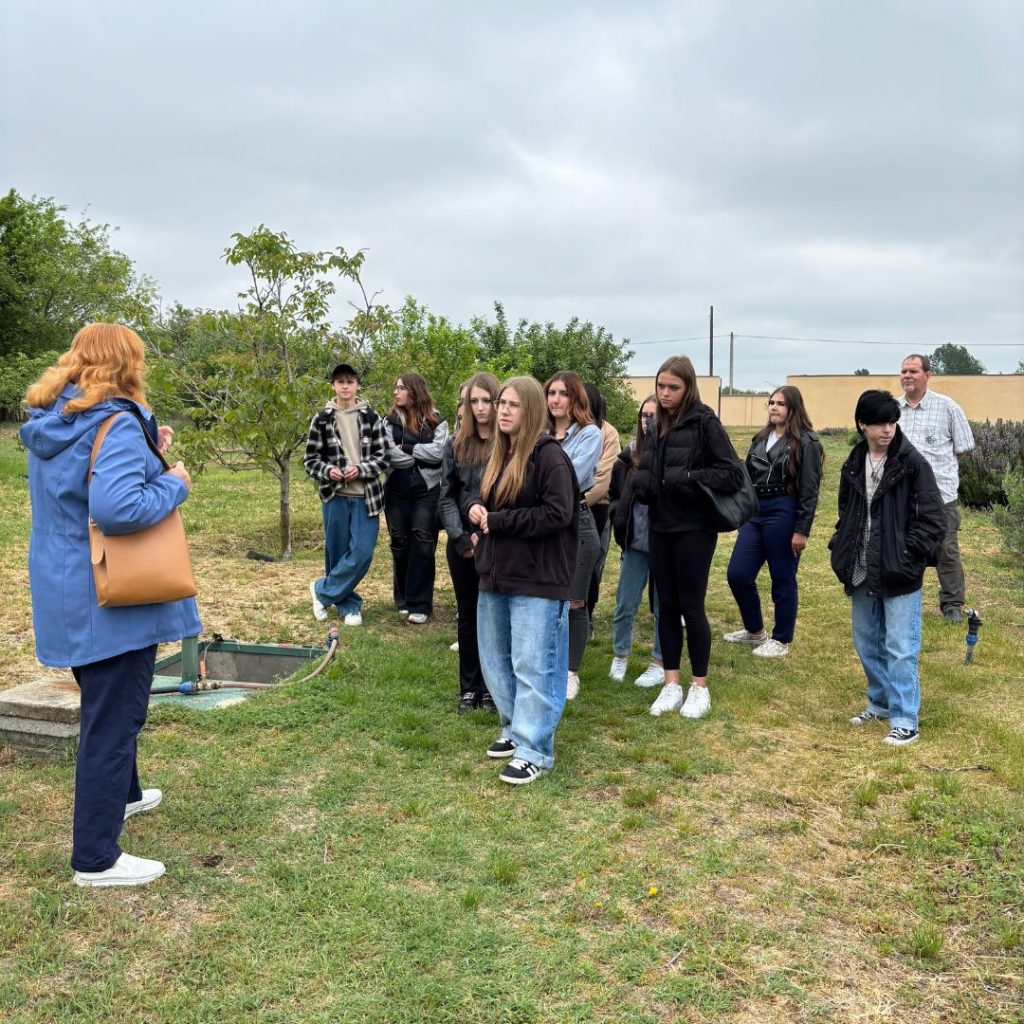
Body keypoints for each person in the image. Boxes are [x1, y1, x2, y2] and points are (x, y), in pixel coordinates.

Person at [21, 323, 201, 887]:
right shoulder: (116, 421)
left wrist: (148, 451)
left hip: (66, 585)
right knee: (114, 719)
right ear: (127, 364)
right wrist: (175, 481)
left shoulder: (57, 418)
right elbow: (117, 509)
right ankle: (96, 859)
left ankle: (124, 795)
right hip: (110, 594)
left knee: (106, 700)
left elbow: (82, 481)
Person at [468, 376, 579, 785]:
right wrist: (475, 508)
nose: (503, 410)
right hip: (496, 575)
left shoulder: (549, 457)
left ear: (530, 410)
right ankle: (515, 729)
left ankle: (535, 750)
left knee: (534, 666)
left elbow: (558, 513)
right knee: (497, 661)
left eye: (512, 405)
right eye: (501, 403)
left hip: (538, 579)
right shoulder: (500, 453)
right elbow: (480, 496)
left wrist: (498, 522)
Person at [829, 390, 945, 746]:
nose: (888, 429)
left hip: (899, 569)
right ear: (862, 425)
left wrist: (909, 555)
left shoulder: (912, 463)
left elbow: (933, 519)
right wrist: (840, 543)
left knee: (901, 646)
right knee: (866, 641)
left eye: (893, 422)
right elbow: (846, 510)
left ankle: (905, 718)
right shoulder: (854, 461)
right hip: (861, 565)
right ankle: (878, 703)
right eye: (880, 423)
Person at [633, 356, 744, 720]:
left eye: (673, 387)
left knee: (691, 607)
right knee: (665, 606)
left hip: (694, 526)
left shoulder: (705, 422)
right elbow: (649, 468)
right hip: (660, 525)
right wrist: (642, 483)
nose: (665, 393)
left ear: (688, 387)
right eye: (660, 386)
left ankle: (699, 687)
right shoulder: (656, 424)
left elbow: (731, 475)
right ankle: (671, 683)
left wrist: (690, 477)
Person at [723, 385, 823, 658]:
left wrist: (801, 530)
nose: (774, 407)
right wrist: (742, 514)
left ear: (793, 408)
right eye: (771, 403)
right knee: (738, 574)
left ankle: (781, 640)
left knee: (782, 577)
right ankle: (755, 631)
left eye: (780, 403)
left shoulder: (807, 442)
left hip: (784, 508)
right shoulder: (760, 438)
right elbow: (746, 478)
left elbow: (810, 489)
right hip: (756, 511)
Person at [303, 362, 389, 626]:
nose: (345, 386)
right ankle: (348, 606)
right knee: (337, 553)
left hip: (366, 497)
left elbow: (383, 457)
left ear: (358, 385)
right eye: (340, 382)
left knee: (362, 552)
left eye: (350, 381)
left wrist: (361, 469)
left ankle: (321, 590)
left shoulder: (371, 417)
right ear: (333, 386)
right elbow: (310, 460)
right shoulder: (321, 419)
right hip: (335, 496)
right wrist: (328, 470)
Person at [897, 354, 976, 623]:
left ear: (928, 375)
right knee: (904, 548)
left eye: (913, 371)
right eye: (904, 371)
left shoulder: (947, 407)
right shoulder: (893, 410)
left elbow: (962, 449)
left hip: (941, 496)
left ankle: (952, 603)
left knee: (946, 551)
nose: (907, 376)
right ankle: (904, 597)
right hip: (903, 497)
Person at [439, 371, 500, 713]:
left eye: (485, 400)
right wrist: (461, 537)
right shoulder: (455, 444)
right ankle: (469, 687)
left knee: (494, 615)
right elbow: (446, 496)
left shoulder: (507, 444)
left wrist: (488, 529)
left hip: (497, 540)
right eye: (473, 401)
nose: (479, 407)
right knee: (468, 614)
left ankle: (491, 688)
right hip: (462, 542)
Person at [545, 371, 602, 700]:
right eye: (551, 392)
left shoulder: (589, 434)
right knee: (547, 599)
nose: (556, 399)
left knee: (574, 602)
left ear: (575, 398)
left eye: (563, 393)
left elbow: (570, 479)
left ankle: (570, 671)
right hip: (545, 524)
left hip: (576, 523)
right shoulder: (539, 432)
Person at [608, 395, 665, 688]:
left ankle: (660, 661)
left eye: (653, 416)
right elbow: (615, 494)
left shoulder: (671, 455)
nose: (647, 421)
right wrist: (617, 515)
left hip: (664, 543)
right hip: (634, 543)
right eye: (644, 415)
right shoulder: (627, 457)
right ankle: (620, 655)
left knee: (663, 607)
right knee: (625, 603)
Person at [383, 372, 449, 624]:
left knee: (423, 540)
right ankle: (403, 598)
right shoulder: (389, 421)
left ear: (414, 389)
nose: (395, 392)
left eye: (400, 387)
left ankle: (420, 604)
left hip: (427, 488)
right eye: (395, 387)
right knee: (399, 541)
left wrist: (409, 449)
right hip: (396, 487)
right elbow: (389, 453)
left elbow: (439, 452)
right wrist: (420, 456)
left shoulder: (437, 420)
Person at [583, 382, 622, 625]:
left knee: (591, 565)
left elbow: (602, 479)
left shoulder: (608, 433)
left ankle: (586, 617)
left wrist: (573, 502)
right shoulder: (564, 430)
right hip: (564, 509)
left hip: (597, 507)